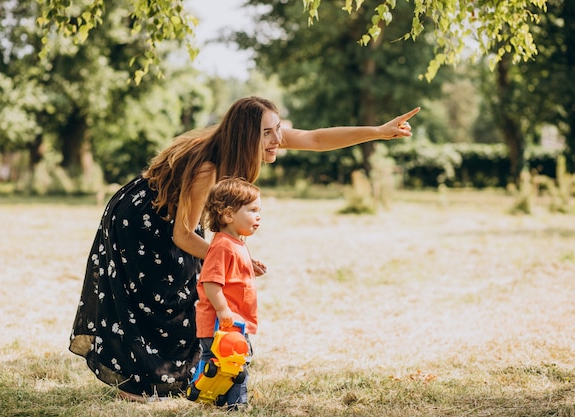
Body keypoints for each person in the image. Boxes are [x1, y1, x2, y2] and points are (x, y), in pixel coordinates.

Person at [69, 96, 419, 402]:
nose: (277, 140)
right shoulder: (208, 168)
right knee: (167, 290)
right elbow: (183, 236)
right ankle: (136, 384)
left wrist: (378, 130)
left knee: (194, 281)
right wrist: (235, 258)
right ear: (245, 135)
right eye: (268, 133)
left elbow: (314, 138)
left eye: (277, 129)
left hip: (173, 216)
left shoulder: (249, 146)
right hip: (142, 217)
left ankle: (170, 376)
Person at [195, 177, 262, 410]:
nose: (258, 216)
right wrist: (224, 311)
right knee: (233, 364)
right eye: (252, 210)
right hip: (222, 324)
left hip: (234, 323)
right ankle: (236, 404)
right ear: (228, 215)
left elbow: (232, 277)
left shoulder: (236, 243)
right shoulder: (223, 246)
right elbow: (211, 282)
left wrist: (249, 269)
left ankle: (218, 400)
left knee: (230, 363)